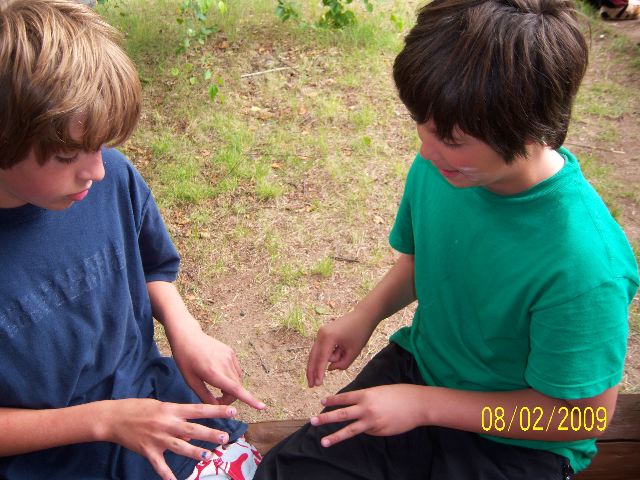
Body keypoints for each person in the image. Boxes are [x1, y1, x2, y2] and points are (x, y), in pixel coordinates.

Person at [254, 0, 640, 479]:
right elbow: (424, 261)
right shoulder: (445, 170)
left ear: (530, 129)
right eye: (422, 125)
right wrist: (365, 315)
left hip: (519, 446)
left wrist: (426, 406)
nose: (426, 150)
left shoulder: (586, 265)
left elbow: (580, 418)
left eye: (451, 140)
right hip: (422, 371)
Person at [0, 1, 265, 479]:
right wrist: (104, 420)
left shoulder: (110, 179)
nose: (96, 171)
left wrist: (185, 331)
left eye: (101, 146)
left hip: (155, 406)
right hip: (52, 461)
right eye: (67, 156)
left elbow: (151, 266)